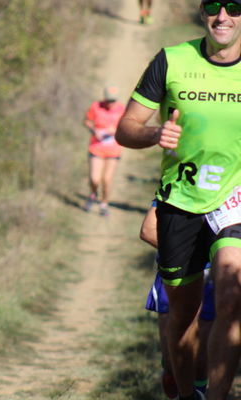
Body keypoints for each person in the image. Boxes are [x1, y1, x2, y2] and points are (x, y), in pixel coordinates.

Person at [115, 1, 241, 398]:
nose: (223, 16)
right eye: (214, 7)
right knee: (182, 317)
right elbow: (125, 129)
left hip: (234, 198)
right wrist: (154, 135)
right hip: (180, 201)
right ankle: (190, 393)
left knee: (232, 295)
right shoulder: (171, 60)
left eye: (234, 7)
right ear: (202, 13)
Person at [140, 203, 214, 398]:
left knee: (201, 356)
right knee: (173, 362)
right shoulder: (178, 185)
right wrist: (184, 254)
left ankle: (198, 392)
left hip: (213, 276)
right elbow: (147, 231)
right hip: (179, 272)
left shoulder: (231, 185)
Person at [83, 85, 125, 216]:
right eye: (108, 100)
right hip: (96, 147)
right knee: (95, 179)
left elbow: (128, 128)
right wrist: (94, 130)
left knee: (107, 179)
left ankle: (104, 204)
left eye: (113, 101)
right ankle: (93, 194)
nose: (110, 103)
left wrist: (117, 130)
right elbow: (87, 121)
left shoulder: (122, 110)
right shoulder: (96, 106)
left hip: (113, 150)